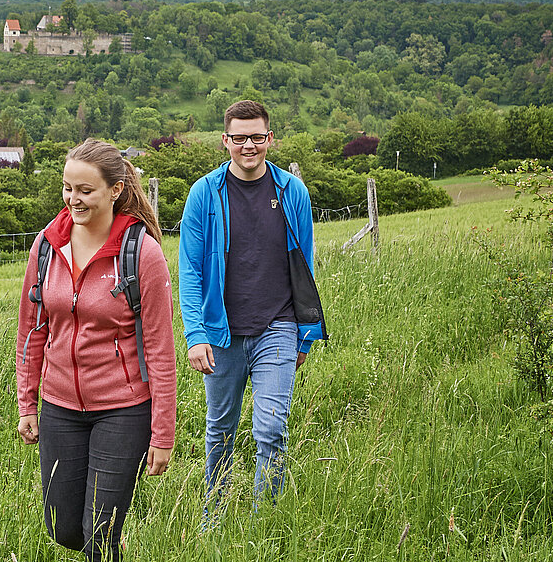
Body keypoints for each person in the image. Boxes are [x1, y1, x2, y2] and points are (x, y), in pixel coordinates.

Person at [16, 139, 177, 561]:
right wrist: (27, 403)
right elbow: (31, 331)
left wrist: (163, 433)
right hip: (59, 406)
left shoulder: (142, 253)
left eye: (86, 190)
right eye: (68, 188)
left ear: (115, 190)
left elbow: (160, 350)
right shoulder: (47, 247)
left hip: (122, 410)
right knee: (64, 528)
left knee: (98, 534)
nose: (74, 199)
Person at [178, 100, 326, 517]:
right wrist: (195, 335)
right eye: (239, 138)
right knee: (220, 431)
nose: (249, 146)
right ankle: (215, 515)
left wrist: (306, 333)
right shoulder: (203, 194)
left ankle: (264, 520)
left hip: (277, 327)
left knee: (271, 430)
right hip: (221, 332)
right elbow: (189, 269)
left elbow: (304, 265)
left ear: (270, 139)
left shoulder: (291, 191)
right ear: (225, 140)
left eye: (257, 137)